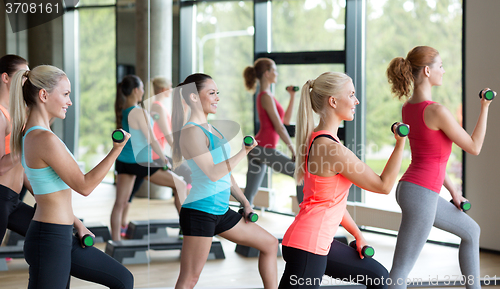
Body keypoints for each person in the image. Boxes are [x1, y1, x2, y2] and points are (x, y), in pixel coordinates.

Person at [9, 64, 134, 289]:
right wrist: (116, 150)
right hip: (49, 239)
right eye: (65, 94)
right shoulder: (42, 139)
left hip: (63, 234)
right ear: (44, 95)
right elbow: (84, 186)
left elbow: (48, 194)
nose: (70, 101)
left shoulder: (40, 135)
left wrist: (76, 224)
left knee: (123, 280)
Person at [279, 72, 407, 289]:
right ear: (333, 101)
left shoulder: (318, 138)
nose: (356, 100)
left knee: (378, 276)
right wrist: (401, 143)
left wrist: (357, 234)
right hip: (309, 246)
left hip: (313, 240)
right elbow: (383, 185)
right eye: (351, 94)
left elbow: (330, 202)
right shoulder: (332, 149)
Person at [386, 46, 492, 289]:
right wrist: (484, 107)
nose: (443, 71)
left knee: (471, 231)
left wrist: (453, 192)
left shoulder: (408, 107)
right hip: (421, 193)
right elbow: (474, 147)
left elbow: (430, 158)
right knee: (401, 269)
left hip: (416, 189)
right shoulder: (436, 111)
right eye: (440, 66)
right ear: (426, 70)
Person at [171, 73, 278, 289]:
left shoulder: (213, 129)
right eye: (211, 93)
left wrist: (245, 202)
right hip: (201, 212)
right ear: (193, 97)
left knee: (270, 244)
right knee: (189, 279)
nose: (217, 98)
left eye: (217, 93)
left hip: (221, 210)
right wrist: (243, 152)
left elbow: (226, 175)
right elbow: (212, 172)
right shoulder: (191, 132)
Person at [111, 74, 188, 241]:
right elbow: (151, 139)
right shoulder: (139, 112)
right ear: (136, 90)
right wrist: (164, 159)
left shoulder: (124, 108)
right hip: (141, 162)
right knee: (180, 185)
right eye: (142, 89)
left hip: (124, 161)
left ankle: (115, 242)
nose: (144, 91)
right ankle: (186, 230)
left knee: (120, 203)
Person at [242, 58, 303, 205]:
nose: (277, 73)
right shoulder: (265, 96)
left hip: (257, 149)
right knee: (300, 173)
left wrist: (292, 96)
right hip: (262, 148)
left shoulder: (267, 96)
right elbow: (279, 127)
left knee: (249, 194)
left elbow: (285, 121)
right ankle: (305, 213)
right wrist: (293, 150)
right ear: (267, 73)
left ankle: (241, 220)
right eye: (274, 70)